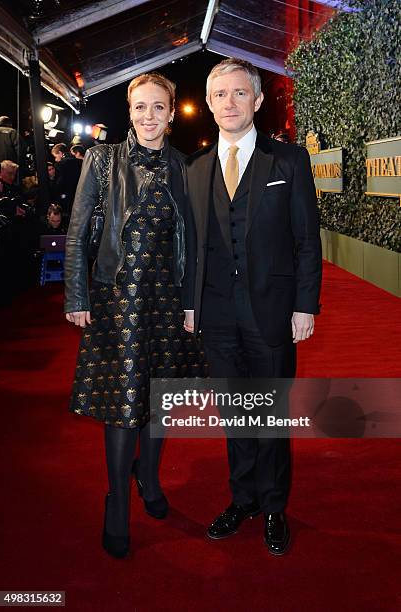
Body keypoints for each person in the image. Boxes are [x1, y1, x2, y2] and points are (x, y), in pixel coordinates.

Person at [64, 71, 204, 559]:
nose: (149, 116)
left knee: (158, 397)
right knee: (123, 403)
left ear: (172, 113)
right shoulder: (101, 162)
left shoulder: (185, 166)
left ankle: (148, 478)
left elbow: (192, 242)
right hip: (117, 300)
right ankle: (117, 502)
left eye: (158, 107)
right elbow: (78, 231)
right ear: (129, 111)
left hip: (166, 302)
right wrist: (76, 297)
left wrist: (193, 304)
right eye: (140, 107)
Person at [185, 58, 322, 555]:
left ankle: (273, 506)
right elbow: (190, 245)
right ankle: (241, 498)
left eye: (239, 93)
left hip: (272, 311)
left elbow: (307, 240)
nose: (229, 103)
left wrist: (305, 305)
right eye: (220, 94)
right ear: (209, 102)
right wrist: (189, 304)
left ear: (258, 101)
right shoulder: (196, 168)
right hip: (216, 315)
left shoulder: (288, 161)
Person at [51, 143, 82, 217]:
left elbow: (60, 183)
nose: (55, 159)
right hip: (79, 196)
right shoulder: (79, 162)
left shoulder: (60, 165)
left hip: (65, 199)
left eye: (56, 156)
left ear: (60, 153)